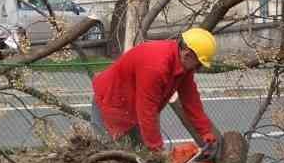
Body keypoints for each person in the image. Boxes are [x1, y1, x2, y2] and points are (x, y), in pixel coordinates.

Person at [90, 27, 219, 154]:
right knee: (109, 157)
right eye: (199, 64)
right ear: (188, 54)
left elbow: (191, 99)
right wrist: (156, 149)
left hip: (133, 110)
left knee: (140, 155)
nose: (198, 68)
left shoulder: (183, 65)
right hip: (110, 102)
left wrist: (205, 131)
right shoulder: (157, 66)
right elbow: (147, 108)